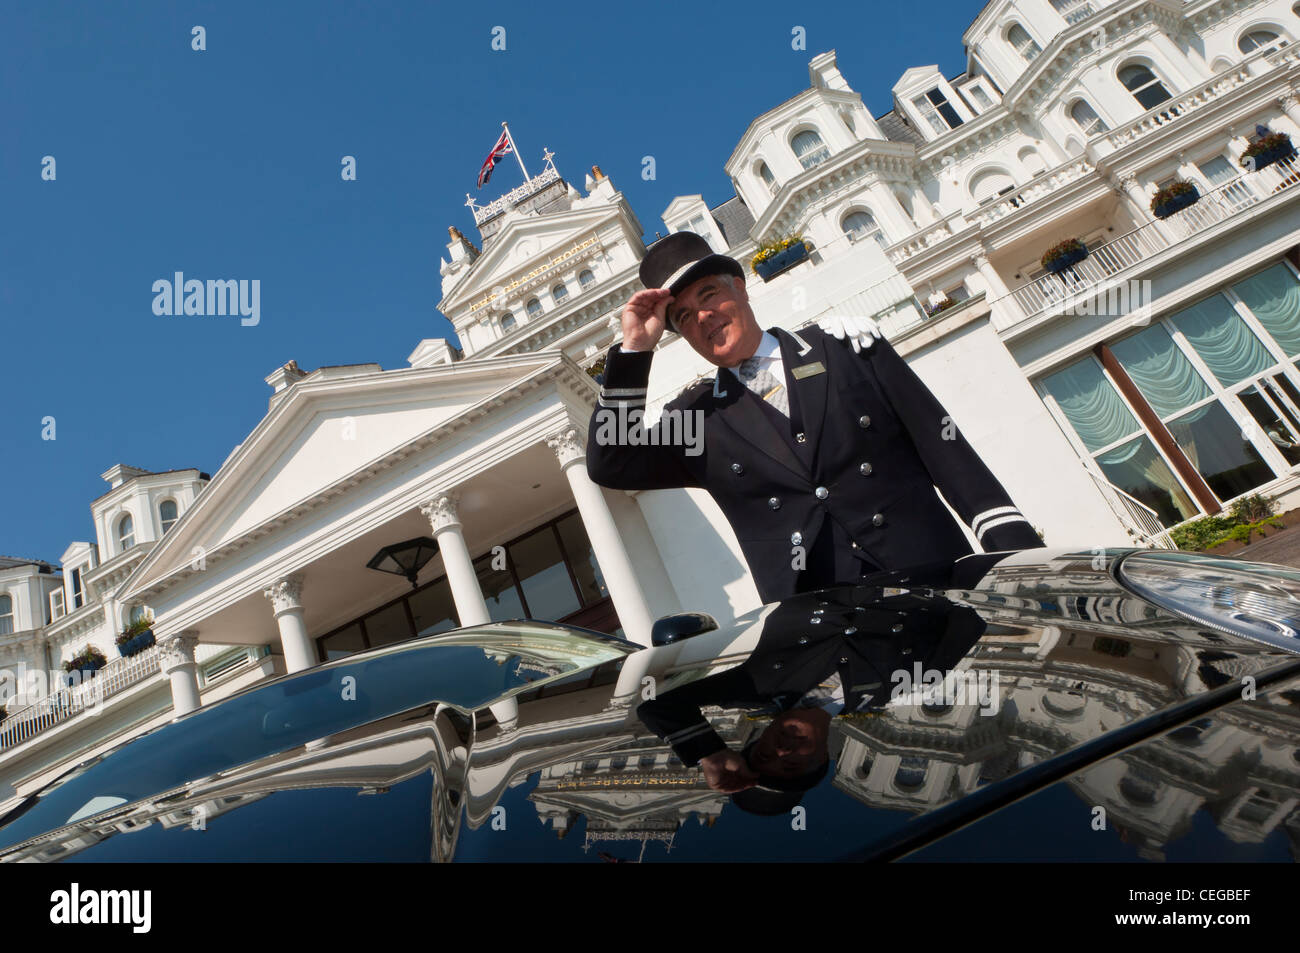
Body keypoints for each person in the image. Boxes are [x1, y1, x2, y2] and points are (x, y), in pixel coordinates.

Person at [586, 231, 1044, 604]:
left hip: (938, 587)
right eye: (683, 317)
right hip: (826, 636)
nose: (703, 318)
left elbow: (946, 452)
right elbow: (611, 464)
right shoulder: (697, 419)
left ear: (739, 287)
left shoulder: (845, 349)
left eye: (709, 295)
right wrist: (633, 353)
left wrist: (1021, 563)